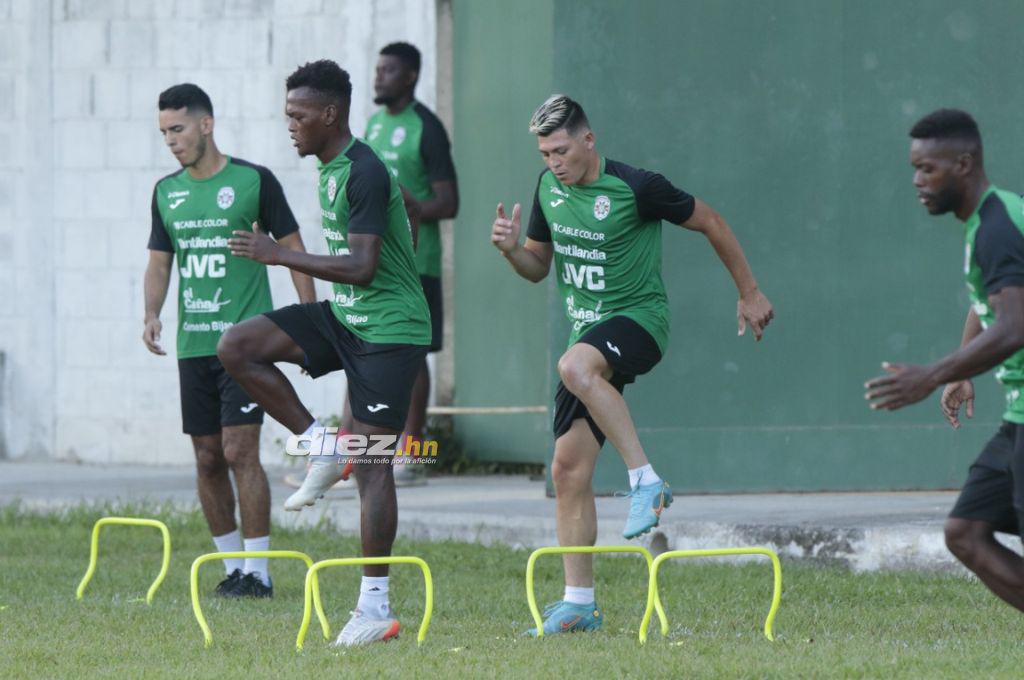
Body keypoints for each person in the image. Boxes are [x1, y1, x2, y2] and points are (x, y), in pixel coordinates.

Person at [491, 94, 774, 635]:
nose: (553, 162)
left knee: (574, 367)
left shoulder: (636, 187)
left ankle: (646, 481)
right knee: (567, 469)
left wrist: (749, 292)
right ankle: (578, 604)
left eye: (562, 149)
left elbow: (712, 221)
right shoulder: (549, 188)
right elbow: (536, 267)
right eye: (545, 152)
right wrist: (509, 250)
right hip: (589, 336)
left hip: (640, 322)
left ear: (589, 140)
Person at [217, 60, 432, 645]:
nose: (290, 125)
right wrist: (404, 225)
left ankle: (374, 610)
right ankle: (320, 443)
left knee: (373, 464)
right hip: (349, 318)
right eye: (288, 114)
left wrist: (278, 254)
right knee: (238, 345)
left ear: (330, 114)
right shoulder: (335, 165)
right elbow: (403, 205)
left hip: (390, 330)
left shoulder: (362, 169)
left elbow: (362, 268)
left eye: (298, 115)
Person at [144, 83, 316, 598]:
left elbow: (293, 248)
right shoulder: (166, 191)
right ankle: (232, 568)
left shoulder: (253, 181)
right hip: (192, 344)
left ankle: (259, 573)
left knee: (241, 449)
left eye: (178, 129)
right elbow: (159, 260)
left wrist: (309, 325)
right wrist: (151, 312)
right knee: (206, 456)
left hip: (244, 345)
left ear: (206, 124)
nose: (171, 141)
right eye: (163, 133)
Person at [866, 108, 1024, 614]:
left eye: (928, 169)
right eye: (914, 168)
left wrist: (935, 374)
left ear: (964, 163)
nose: (918, 181)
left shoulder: (998, 226)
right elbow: (996, 304)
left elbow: (1016, 324)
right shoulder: (986, 223)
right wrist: (962, 369)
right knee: (966, 530)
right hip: (1018, 418)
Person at [360, 41, 458, 485]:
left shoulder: (428, 128)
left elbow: (449, 201)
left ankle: (412, 451)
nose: (378, 77)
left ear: (411, 76)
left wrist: (408, 206)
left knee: (413, 352)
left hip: (418, 261)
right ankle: (360, 449)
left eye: (388, 70)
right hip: (375, 259)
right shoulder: (373, 126)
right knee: (367, 346)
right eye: (377, 69)